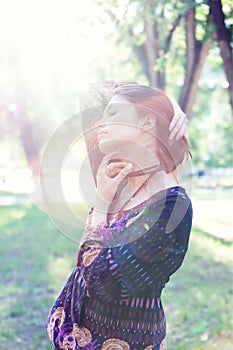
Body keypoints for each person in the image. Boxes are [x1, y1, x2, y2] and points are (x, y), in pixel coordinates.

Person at [46, 82, 192, 350]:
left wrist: (101, 205)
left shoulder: (171, 207)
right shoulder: (120, 181)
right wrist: (170, 104)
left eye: (113, 114)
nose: (100, 122)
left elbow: (103, 283)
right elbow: (88, 93)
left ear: (147, 122)